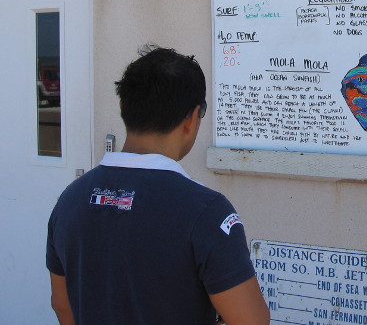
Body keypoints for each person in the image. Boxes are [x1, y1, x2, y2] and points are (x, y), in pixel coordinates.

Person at [46, 46, 269, 325]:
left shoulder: (70, 199)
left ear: (123, 107)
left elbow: (61, 305)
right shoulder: (207, 212)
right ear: (192, 118)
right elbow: (252, 321)